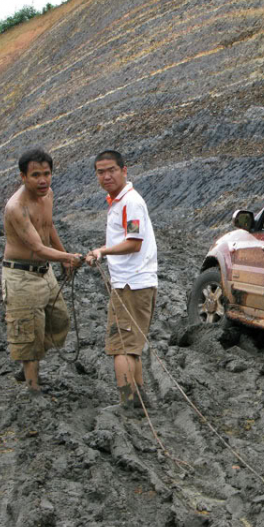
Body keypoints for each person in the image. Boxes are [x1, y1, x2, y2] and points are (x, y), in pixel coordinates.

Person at [2, 149, 83, 393]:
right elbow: (37, 247)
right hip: (21, 275)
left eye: (46, 174)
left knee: (59, 320)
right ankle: (33, 386)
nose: (43, 180)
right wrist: (70, 257)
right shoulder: (16, 207)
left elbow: (48, 227)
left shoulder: (48, 196)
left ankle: (29, 361)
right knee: (28, 331)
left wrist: (63, 258)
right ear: (23, 177)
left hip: (44, 271)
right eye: (35, 175)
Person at [85, 150, 157, 413]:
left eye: (111, 170)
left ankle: (127, 403)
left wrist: (103, 251)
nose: (106, 176)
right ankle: (138, 400)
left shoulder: (130, 203)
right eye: (100, 172)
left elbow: (134, 242)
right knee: (133, 345)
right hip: (135, 283)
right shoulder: (120, 202)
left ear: (124, 170)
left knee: (122, 347)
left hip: (131, 284)